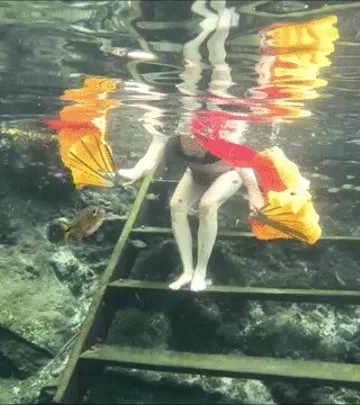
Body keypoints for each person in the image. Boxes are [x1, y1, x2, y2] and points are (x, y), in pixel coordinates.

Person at [118, 0, 265, 292]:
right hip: (199, 174)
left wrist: (254, 194)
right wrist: (135, 171)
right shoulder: (171, 126)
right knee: (176, 206)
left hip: (228, 173)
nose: (187, 127)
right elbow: (149, 157)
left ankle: (220, 22)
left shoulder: (217, 127)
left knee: (208, 206)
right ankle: (186, 271)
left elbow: (245, 163)